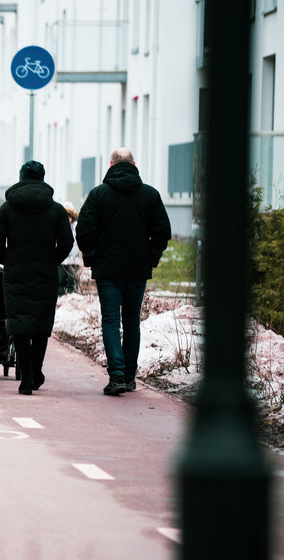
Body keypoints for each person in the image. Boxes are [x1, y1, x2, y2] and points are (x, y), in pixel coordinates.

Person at [76, 147, 171, 396]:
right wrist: (151, 257)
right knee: (131, 322)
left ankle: (116, 373)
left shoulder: (98, 195)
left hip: (107, 270)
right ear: (134, 163)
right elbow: (163, 232)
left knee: (110, 320)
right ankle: (129, 376)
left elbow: (84, 230)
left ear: (110, 164)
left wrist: (92, 256)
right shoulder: (150, 195)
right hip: (137, 270)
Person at [0, 160, 74, 395]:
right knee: (40, 324)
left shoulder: (8, 208)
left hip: (16, 273)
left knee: (19, 324)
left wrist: (8, 260)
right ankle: (36, 372)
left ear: (21, 177)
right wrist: (52, 259)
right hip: (45, 274)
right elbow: (67, 241)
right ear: (43, 178)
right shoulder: (56, 209)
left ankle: (26, 377)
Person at [57, 203, 82, 295]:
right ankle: (60, 297)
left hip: (74, 259)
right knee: (60, 279)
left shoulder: (76, 226)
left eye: (70, 216)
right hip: (62, 259)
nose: (68, 219)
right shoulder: (59, 226)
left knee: (72, 280)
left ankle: (73, 296)